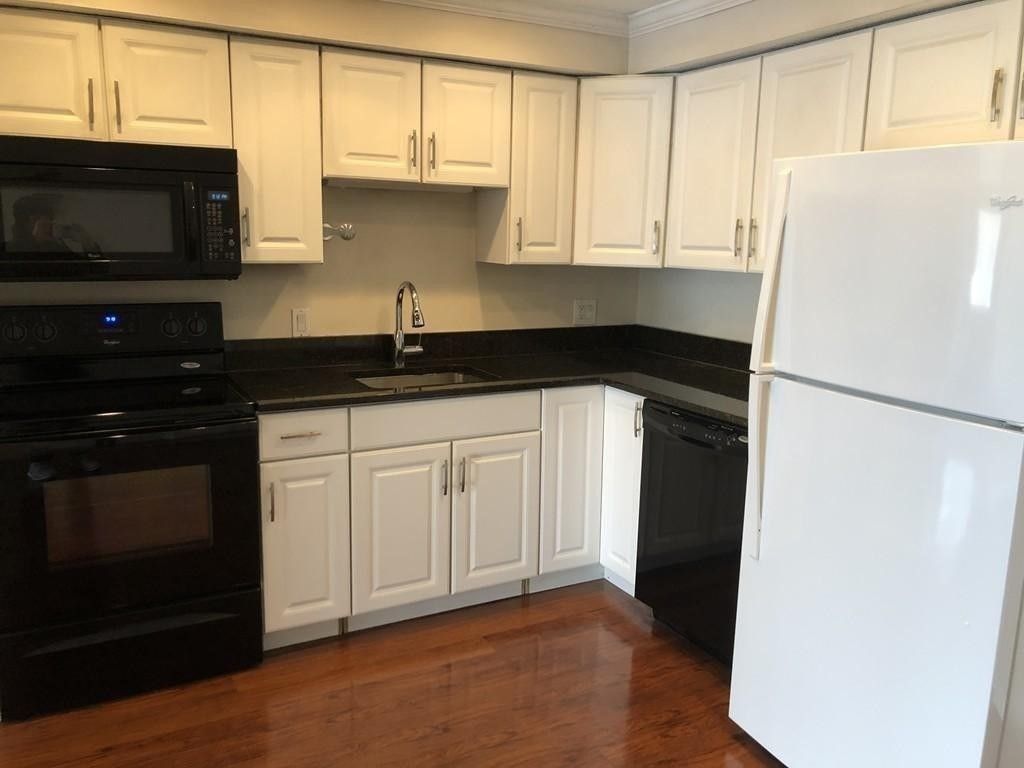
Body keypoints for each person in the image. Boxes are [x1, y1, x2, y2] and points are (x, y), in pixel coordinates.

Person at [9, 192, 100, 253]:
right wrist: (36, 241)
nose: (49, 226)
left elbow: (97, 271)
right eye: (41, 221)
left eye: (50, 220)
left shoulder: (56, 247)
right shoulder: (11, 250)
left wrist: (88, 243)